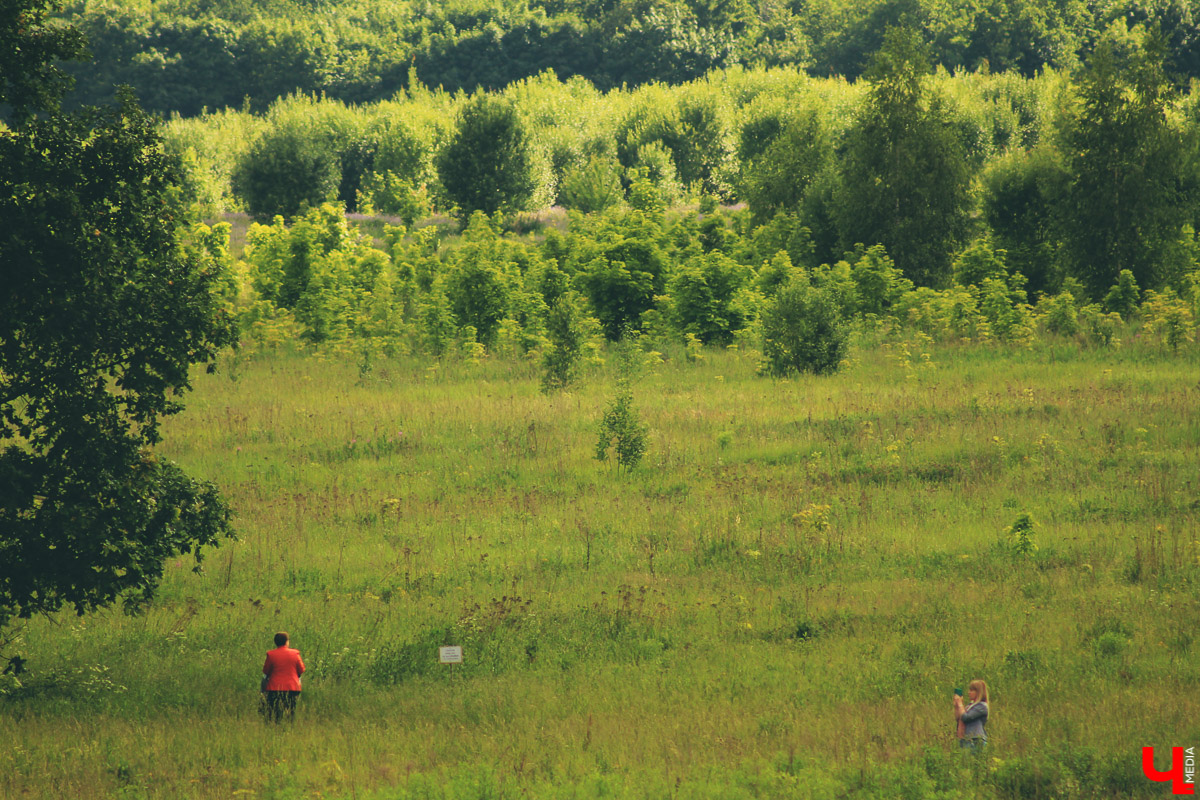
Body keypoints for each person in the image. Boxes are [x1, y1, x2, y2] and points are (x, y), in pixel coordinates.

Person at [262, 631, 305, 723]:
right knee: (291, 711)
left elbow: (266, 671)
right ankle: (290, 727)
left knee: (276, 712)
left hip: (274, 688)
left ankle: (277, 726)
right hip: (293, 688)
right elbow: (301, 670)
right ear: (287, 642)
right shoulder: (295, 654)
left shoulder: (271, 654)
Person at [953, 679, 989, 751]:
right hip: (965, 739)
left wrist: (960, 704)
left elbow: (965, 717)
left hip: (975, 740)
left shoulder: (982, 706)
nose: (969, 692)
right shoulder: (970, 706)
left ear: (979, 692)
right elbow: (958, 718)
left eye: (972, 690)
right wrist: (956, 706)